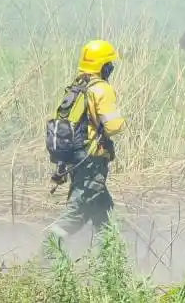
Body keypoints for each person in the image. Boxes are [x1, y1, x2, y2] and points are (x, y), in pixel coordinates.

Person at [44, 40, 127, 246]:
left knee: (105, 214)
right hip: (92, 160)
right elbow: (114, 126)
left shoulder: (75, 88)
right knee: (77, 211)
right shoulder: (101, 89)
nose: (112, 68)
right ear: (103, 66)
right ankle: (48, 249)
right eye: (110, 64)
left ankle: (109, 261)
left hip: (76, 159)